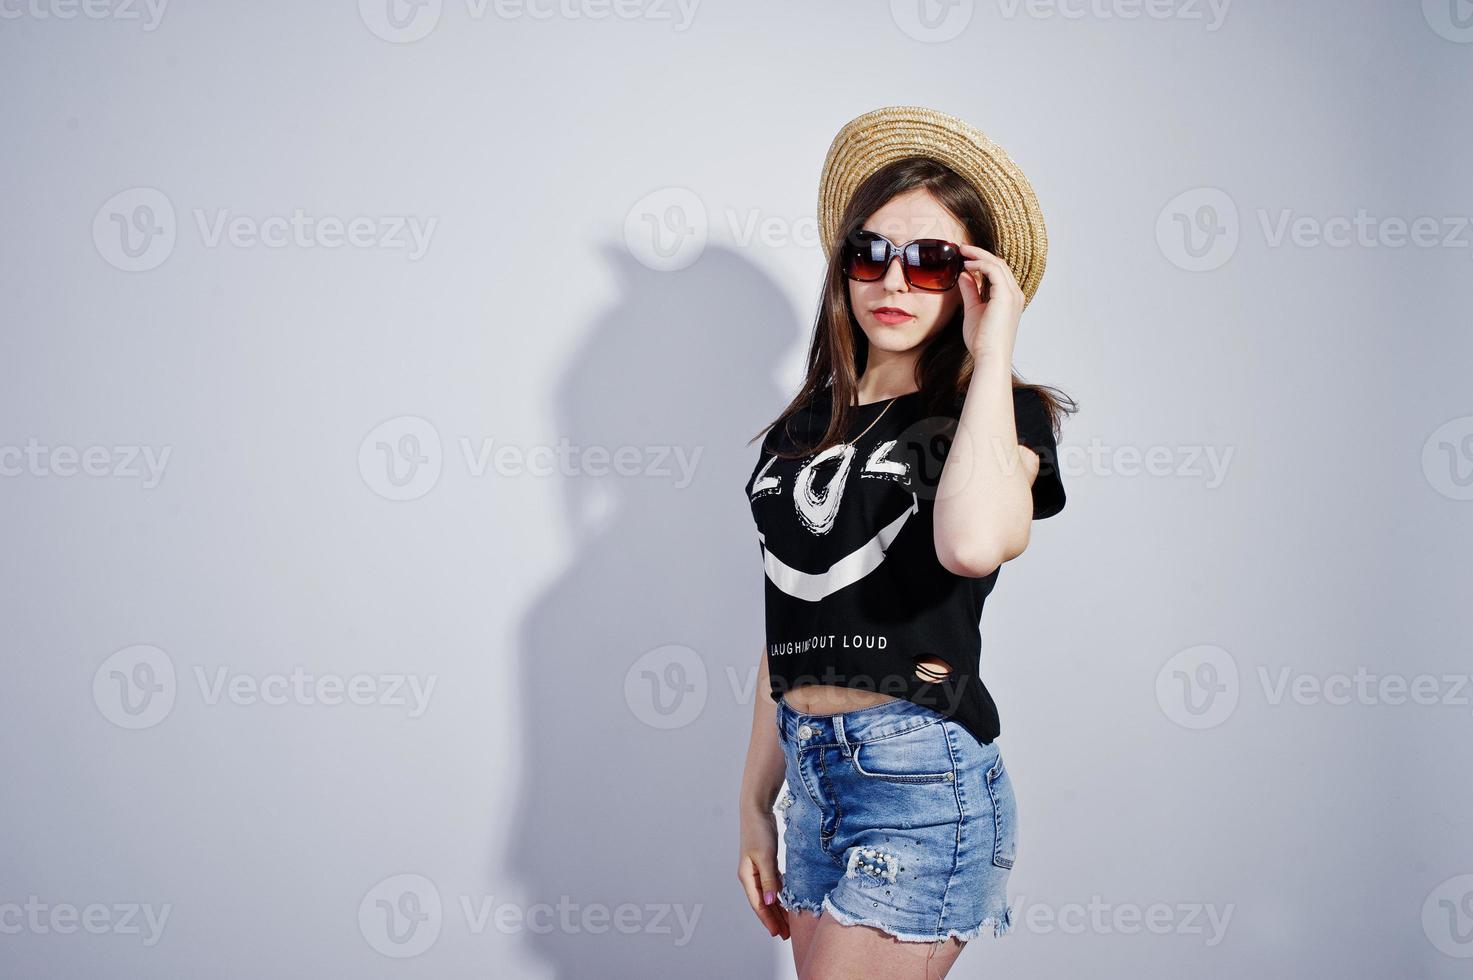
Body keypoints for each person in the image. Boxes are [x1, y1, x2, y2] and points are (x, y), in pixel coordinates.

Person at [736, 106, 1075, 979]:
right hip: (810, 781)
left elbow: (971, 544)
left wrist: (991, 350)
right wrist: (752, 802)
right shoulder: (800, 429)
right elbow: (788, 612)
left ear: (973, 279)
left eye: (930, 260)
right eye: (869, 252)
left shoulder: (998, 416)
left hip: (918, 777)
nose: (892, 279)